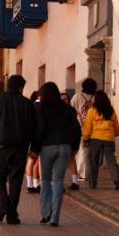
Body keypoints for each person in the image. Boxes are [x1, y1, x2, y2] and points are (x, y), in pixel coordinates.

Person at [0, 74, 37, 225]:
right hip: (20, 147)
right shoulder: (27, 104)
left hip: (1, 147)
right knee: (15, 180)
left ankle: (3, 206)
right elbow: (34, 127)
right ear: (20, 87)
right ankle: (11, 214)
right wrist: (34, 147)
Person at [31, 82, 81, 227]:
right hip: (65, 147)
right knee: (58, 181)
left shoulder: (42, 109)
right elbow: (76, 129)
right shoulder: (68, 109)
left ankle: (46, 213)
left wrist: (34, 148)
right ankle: (55, 217)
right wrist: (74, 147)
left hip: (47, 147)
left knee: (45, 180)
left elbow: (39, 129)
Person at [82, 90, 119, 190]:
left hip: (95, 139)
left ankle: (93, 182)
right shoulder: (111, 110)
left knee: (93, 161)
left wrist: (85, 137)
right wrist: (114, 134)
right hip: (109, 139)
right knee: (112, 161)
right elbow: (116, 126)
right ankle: (116, 180)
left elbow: (87, 125)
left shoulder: (92, 110)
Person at [70, 78, 97, 184]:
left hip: (79, 128)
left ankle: (84, 174)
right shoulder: (95, 98)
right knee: (90, 153)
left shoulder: (77, 97)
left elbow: (71, 111)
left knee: (82, 152)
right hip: (93, 129)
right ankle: (90, 174)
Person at [25, 91, 41, 194]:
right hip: (36, 136)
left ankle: (33, 184)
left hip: (33, 136)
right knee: (32, 160)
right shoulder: (37, 105)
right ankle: (31, 184)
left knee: (34, 160)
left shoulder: (32, 105)